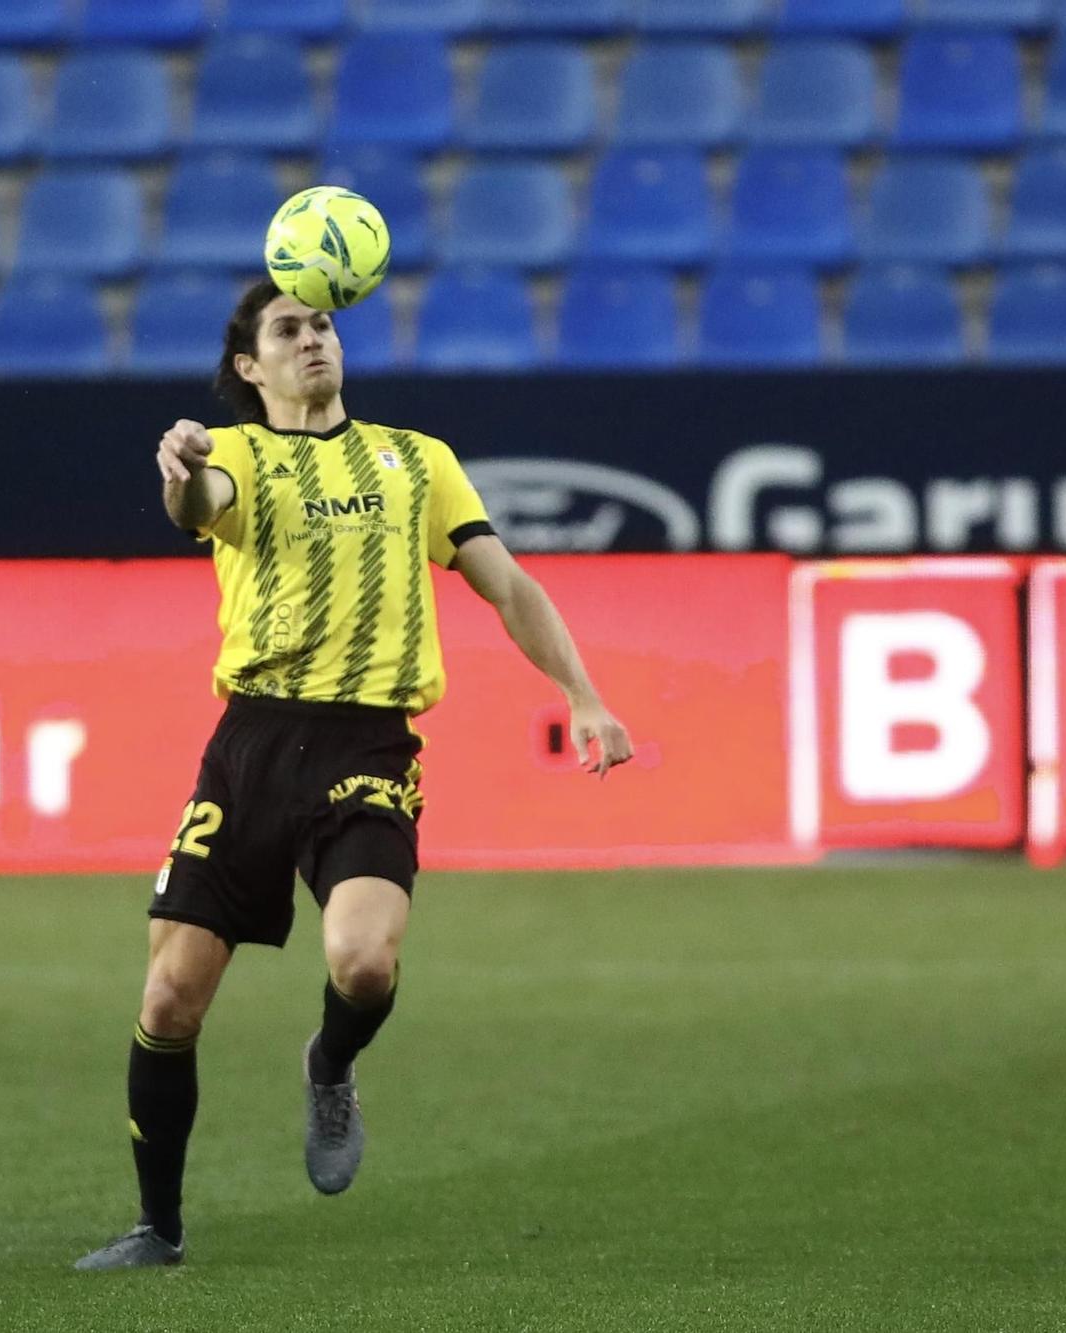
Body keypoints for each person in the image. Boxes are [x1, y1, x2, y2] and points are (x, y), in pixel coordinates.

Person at [75, 282, 635, 1271]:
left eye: (320, 323)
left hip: (366, 746)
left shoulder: (417, 462)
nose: (311, 340)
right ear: (249, 367)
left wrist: (581, 691)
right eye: (286, 331)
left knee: (364, 963)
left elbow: (505, 581)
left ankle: (328, 1061)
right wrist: (182, 469)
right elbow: (197, 506)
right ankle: (155, 1227)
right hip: (248, 747)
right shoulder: (234, 452)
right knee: (167, 1000)